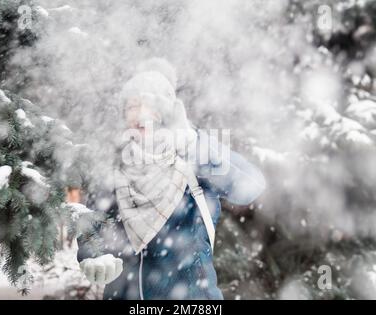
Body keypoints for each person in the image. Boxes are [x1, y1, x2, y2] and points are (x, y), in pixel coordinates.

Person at [76, 58, 266, 300]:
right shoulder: (116, 165)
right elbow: (91, 223)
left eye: (149, 104)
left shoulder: (195, 156)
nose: (139, 113)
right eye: (132, 105)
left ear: (167, 111)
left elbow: (251, 186)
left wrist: (194, 143)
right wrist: (91, 255)